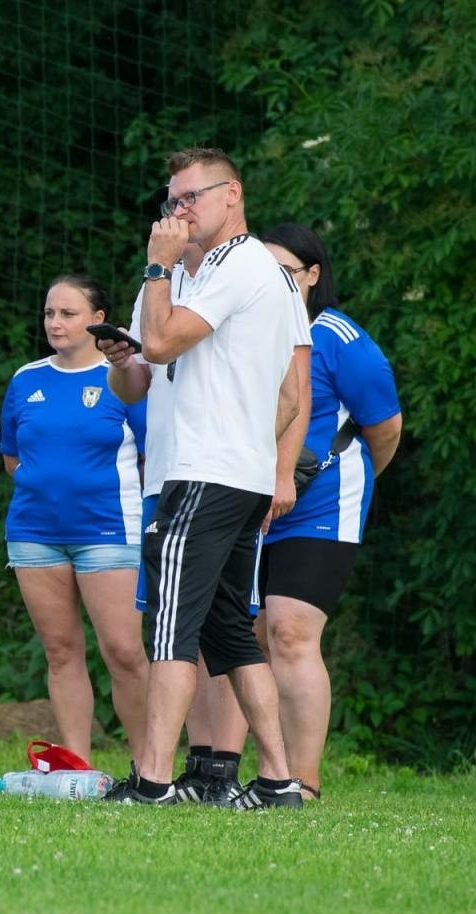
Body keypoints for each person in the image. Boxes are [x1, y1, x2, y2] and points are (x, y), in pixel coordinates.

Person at [103, 147, 311, 808]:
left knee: (171, 624)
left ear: (233, 195)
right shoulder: (178, 276)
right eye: (172, 200)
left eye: (191, 197)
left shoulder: (241, 264)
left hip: (206, 471)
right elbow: (139, 378)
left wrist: (157, 267)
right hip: (207, 470)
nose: (178, 211)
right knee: (226, 627)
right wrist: (119, 355)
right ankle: (277, 779)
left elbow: (163, 345)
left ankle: (155, 781)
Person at [257, 223, 402, 799]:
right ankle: (259, 773)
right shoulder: (249, 330)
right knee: (251, 637)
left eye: (285, 271)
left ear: (313, 275)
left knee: (291, 633)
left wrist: (350, 480)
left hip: (322, 503)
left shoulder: (339, 337)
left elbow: (385, 428)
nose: (273, 283)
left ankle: (304, 783)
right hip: (252, 503)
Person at [0, 276, 149, 762]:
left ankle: (150, 765)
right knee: (61, 652)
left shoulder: (127, 378)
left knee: (124, 652)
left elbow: (151, 456)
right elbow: (12, 458)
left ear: (98, 320)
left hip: (108, 530)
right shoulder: (26, 379)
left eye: (68, 314)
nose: (55, 323)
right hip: (34, 534)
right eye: (49, 314)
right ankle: (76, 768)